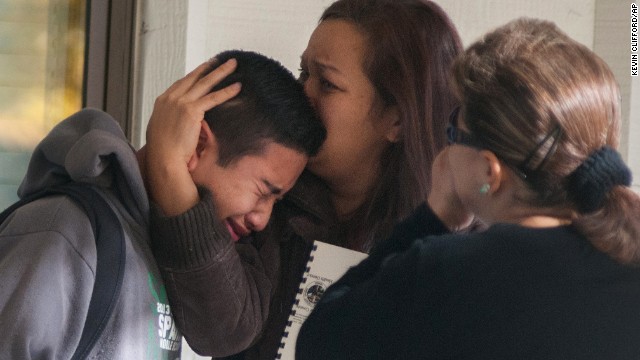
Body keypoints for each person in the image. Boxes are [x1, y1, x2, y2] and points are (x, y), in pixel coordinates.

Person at [295, 18, 640, 359]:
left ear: (489, 172)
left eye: (453, 133)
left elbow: (320, 341)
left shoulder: (446, 272)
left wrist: (433, 217)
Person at [146, 0, 463, 358]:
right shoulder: (263, 208)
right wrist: (169, 170)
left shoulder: (451, 248)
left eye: (327, 84)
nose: (303, 93)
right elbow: (222, 329)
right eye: (303, 73)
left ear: (397, 120)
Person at [0, 50, 325, 359]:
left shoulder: (166, 249)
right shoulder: (64, 231)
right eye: (264, 191)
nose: (262, 219)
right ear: (197, 143)